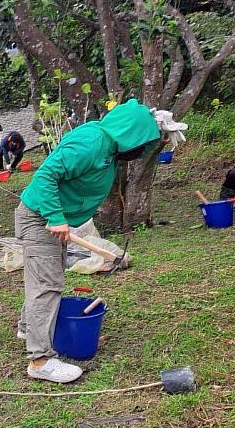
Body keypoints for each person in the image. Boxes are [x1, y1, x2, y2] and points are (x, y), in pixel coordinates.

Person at [16, 99, 160, 383]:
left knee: (45, 277)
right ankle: (40, 360)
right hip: (40, 218)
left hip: (50, 217)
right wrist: (55, 216)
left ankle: (26, 327)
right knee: (47, 285)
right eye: (142, 143)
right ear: (129, 134)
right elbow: (46, 175)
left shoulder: (108, 145)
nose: (141, 151)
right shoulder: (91, 143)